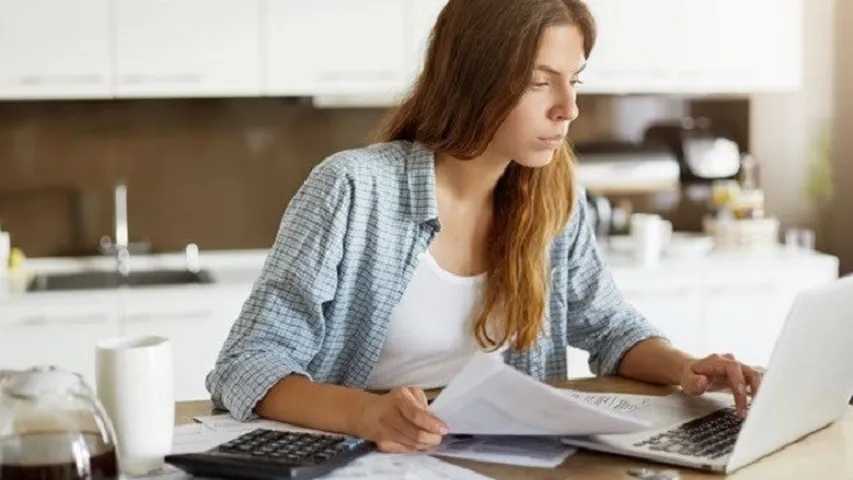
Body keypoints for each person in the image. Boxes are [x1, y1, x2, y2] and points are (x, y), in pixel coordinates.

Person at [207, 0, 763, 454]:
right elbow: (247, 365)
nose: (568, 108)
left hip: (510, 464)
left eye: (574, 81)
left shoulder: (553, 192)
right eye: (540, 82)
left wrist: (688, 367)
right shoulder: (352, 189)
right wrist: (366, 414)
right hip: (378, 461)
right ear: (473, 82)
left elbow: (609, 326)